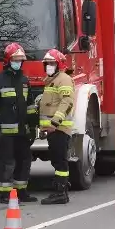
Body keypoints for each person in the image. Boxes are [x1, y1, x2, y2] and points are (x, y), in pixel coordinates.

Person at [0, 42, 38, 204]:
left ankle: (21, 191)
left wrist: (32, 126)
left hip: (22, 131)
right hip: (6, 133)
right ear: (8, 60)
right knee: (7, 162)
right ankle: (5, 193)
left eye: (21, 60)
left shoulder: (24, 80)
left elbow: (29, 106)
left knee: (25, 160)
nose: (18, 63)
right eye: (16, 60)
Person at [38, 49, 75, 205]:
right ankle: (61, 190)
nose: (49, 66)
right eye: (47, 64)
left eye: (52, 63)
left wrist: (54, 123)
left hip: (59, 129)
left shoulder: (63, 80)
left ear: (59, 64)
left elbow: (67, 103)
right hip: (53, 130)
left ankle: (61, 193)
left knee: (60, 161)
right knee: (57, 160)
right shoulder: (51, 80)